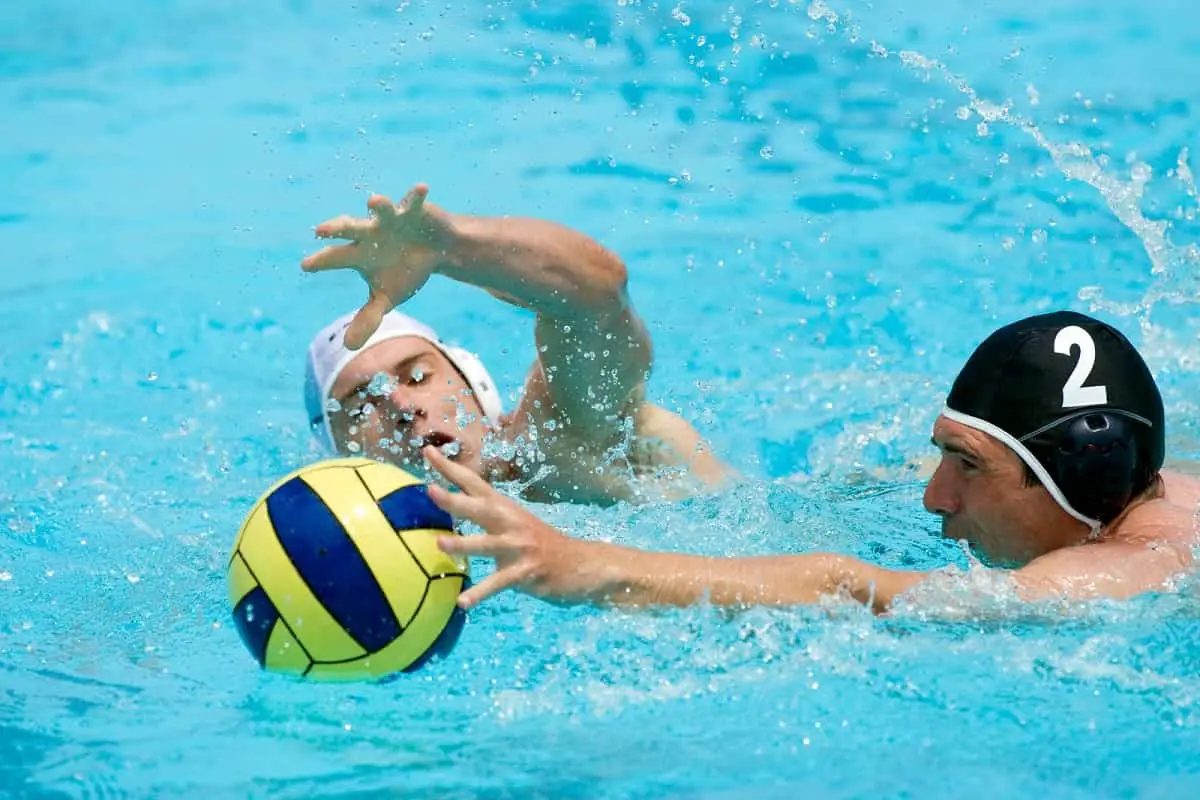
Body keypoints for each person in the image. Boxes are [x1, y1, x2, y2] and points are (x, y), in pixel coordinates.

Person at [422, 310, 1200, 611]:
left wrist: (584, 564)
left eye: (967, 466)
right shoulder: (1137, 498)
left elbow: (849, 588)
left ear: (1081, 481)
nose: (934, 498)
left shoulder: (1139, 568)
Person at [300, 184, 729, 505]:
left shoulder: (559, 441)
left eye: (417, 376)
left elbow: (596, 297)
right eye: (360, 408)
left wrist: (450, 247)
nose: (400, 407)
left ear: (475, 384)